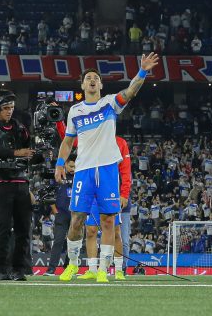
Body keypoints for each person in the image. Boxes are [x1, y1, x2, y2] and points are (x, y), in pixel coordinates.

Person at [55, 52, 159, 283]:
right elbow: (68, 141)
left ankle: (103, 269)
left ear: (100, 84)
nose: (92, 80)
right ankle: (72, 265)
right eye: (88, 78)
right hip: (83, 170)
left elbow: (131, 91)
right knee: (77, 219)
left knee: (108, 221)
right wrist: (60, 163)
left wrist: (142, 71)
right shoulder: (75, 111)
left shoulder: (109, 103)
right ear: (82, 84)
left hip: (107, 169)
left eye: (95, 78)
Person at [0, 90, 35, 281]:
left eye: (11, 108)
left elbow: (31, 150)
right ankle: (0, 268)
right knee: (2, 228)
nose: (9, 111)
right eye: (5, 108)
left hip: (21, 182)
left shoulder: (19, 126)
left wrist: (41, 151)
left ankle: (18, 269)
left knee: (23, 229)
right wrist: (17, 153)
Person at [77, 136, 132, 281]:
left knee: (115, 231)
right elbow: (68, 138)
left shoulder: (120, 142)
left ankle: (118, 269)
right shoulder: (89, 137)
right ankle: (92, 269)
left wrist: (124, 193)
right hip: (91, 192)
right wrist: (60, 123)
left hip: (110, 191)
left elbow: (125, 170)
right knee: (90, 231)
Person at [45, 156, 76, 276]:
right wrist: (55, 211)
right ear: (65, 165)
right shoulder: (58, 177)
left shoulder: (79, 178)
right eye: (71, 166)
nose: (73, 169)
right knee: (58, 241)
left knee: (72, 243)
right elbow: (49, 194)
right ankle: (51, 269)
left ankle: (68, 268)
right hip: (62, 214)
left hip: (75, 215)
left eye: (75, 166)